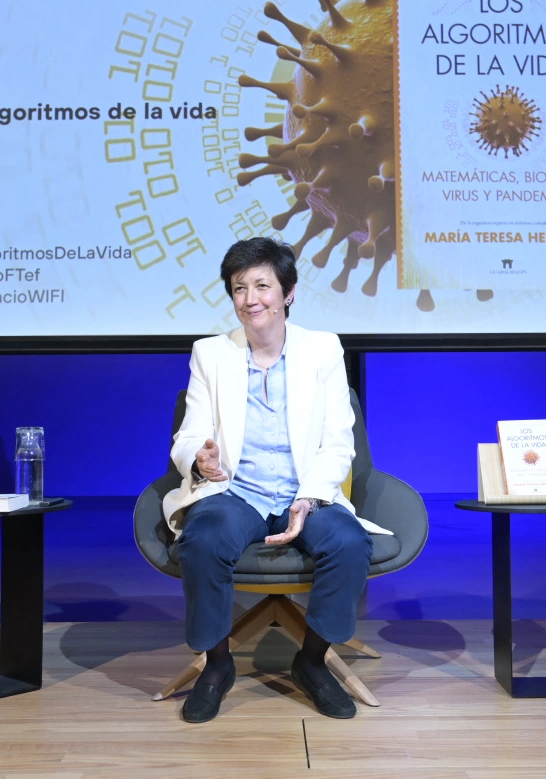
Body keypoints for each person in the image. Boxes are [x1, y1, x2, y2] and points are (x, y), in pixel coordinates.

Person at [163, 237, 388, 723]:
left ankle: (310, 661)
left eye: (262, 285)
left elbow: (337, 444)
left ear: (287, 292)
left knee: (348, 545)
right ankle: (217, 665)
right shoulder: (211, 354)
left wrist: (308, 497)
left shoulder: (322, 349)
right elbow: (189, 435)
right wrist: (199, 459)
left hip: (302, 491)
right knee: (202, 539)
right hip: (237, 490)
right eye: (239, 288)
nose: (250, 298)